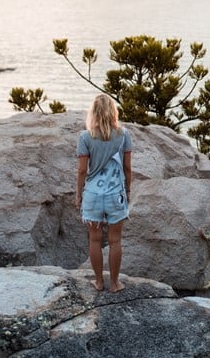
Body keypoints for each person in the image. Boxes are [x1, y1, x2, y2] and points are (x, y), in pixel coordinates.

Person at [75, 94, 133, 292]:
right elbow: (127, 168)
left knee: (95, 240)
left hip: (92, 194)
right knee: (115, 240)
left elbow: (82, 170)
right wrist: (128, 190)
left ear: (94, 113)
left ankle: (99, 282)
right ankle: (115, 283)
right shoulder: (124, 135)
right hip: (115, 194)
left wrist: (78, 194)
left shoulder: (85, 137)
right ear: (113, 112)